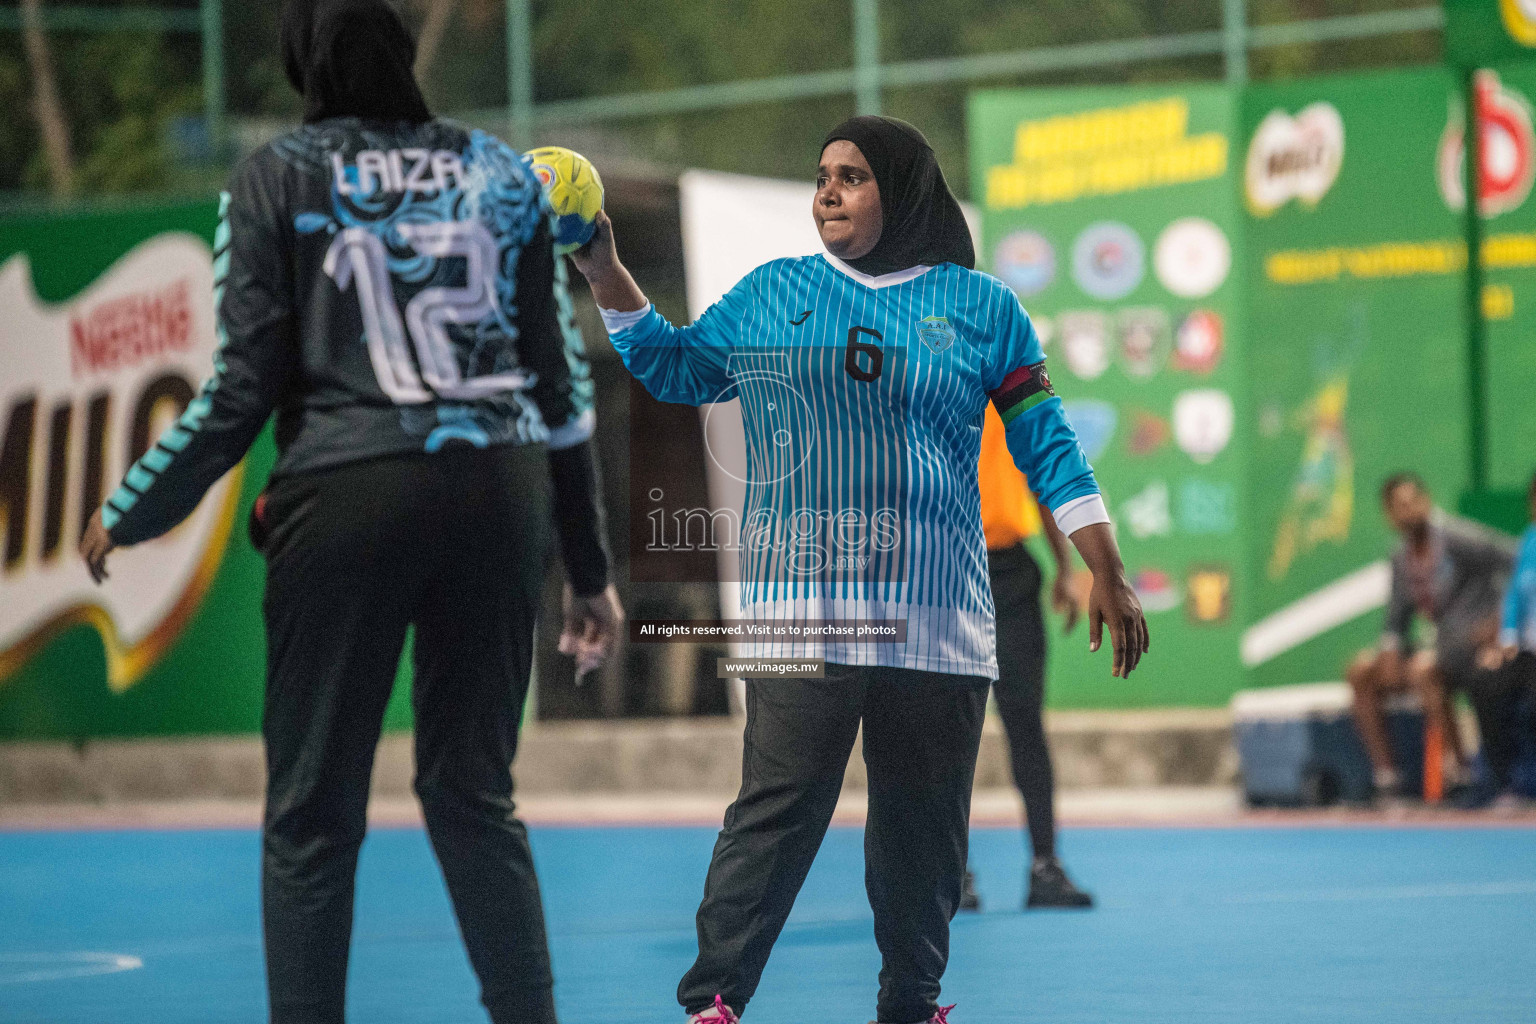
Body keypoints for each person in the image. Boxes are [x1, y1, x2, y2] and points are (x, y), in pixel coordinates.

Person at [78, 3, 622, 1021]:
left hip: (350, 490)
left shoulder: (276, 175)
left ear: (305, 63)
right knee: (472, 794)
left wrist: (134, 506)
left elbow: (243, 388)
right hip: (497, 491)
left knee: (312, 819)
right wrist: (589, 569)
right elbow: (560, 393)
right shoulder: (503, 173)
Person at [570, 114, 1148, 1024]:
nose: (827, 191)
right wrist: (603, 268)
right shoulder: (773, 294)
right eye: (821, 175)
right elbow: (675, 368)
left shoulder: (981, 305)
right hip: (804, 615)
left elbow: (1046, 441)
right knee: (774, 817)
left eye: (852, 176)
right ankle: (712, 1005)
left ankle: (912, 1006)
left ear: (904, 190)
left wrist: (1105, 564)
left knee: (922, 838)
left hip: (940, 623)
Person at [959, 405, 1092, 913]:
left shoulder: (1005, 389)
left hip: (1010, 571)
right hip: (943, 569)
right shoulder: (921, 381)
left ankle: (1045, 866)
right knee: (945, 729)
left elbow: (1039, 475)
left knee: (1026, 723)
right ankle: (951, 873)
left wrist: (1063, 566)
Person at [1345, 473, 1513, 800]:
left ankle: (1461, 775)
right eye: (1399, 507)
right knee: (1361, 671)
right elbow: (1396, 615)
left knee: (1424, 670)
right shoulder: (1400, 556)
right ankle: (1388, 779)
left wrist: (1499, 621)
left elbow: (1517, 563)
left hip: (1469, 644)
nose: (1409, 511)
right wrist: (1390, 648)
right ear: (1389, 514)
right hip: (1434, 646)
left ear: (1426, 500)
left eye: (1413, 502)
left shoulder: (1459, 537)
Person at [1475, 469, 1536, 806]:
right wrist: (1506, 638)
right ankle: (1505, 785)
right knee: (1485, 682)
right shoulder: (1529, 540)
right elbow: (1514, 595)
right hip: (1526, 652)